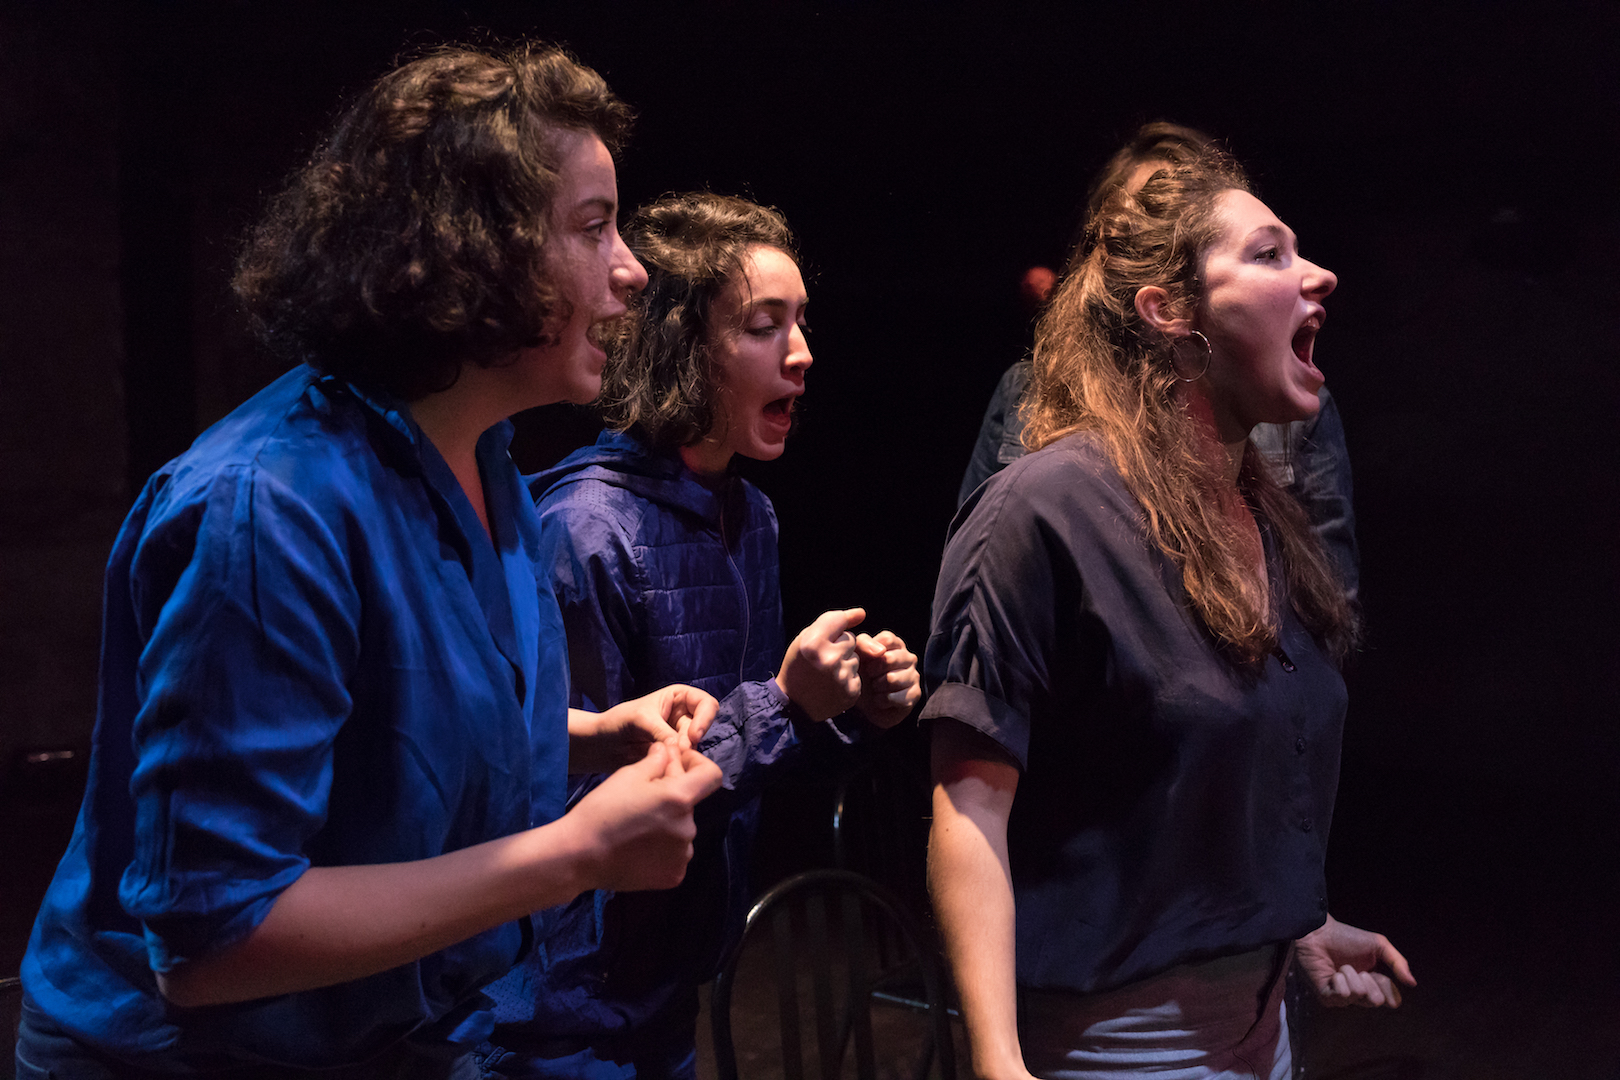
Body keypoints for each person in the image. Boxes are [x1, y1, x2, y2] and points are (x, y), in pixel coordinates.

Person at [17, 44, 724, 1079]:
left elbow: (392, 722)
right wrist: (573, 856)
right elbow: (213, 942)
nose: (632, 268)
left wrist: (591, 739)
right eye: (591, 226)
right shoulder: (268, 510)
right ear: (468, 249)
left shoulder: (484, 460)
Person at [925, 147, 1413, 1079]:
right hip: (1120, 1045)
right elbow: (968, 806)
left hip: (1265, 1029)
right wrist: (995, 1061)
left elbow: (1208, 787)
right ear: (1171, 312)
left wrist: (1294, 928)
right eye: (1269, 254)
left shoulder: (1260, 511)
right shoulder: (1047, 507)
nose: (1319, 274)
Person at [479, 192, 922, 1079]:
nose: (802, 355)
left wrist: (844, 713)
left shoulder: (747, 516)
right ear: (685, 344)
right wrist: (781, 703)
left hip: (672, 986)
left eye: (801, 322)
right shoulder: (586, 527)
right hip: (565, 1010)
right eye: (765, 326)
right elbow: (576, 807)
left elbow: (742, 767)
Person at [957, 123, 1359, 602]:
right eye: (1148, 226)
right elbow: (979, 599)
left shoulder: (1292, 406)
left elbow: (1330, 604)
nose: (1319, 276)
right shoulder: (1037, 445)